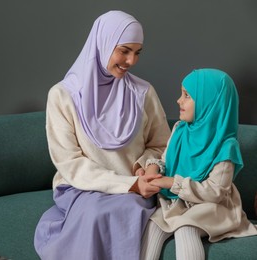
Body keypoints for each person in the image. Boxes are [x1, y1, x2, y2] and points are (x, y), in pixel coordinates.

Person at [33, 10, 171, 260]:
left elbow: (161, 144)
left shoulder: (143, 92)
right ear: (103, 43)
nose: (131, 61)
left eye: (137, 52)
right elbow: (70, 164)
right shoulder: (63, 95)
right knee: (96, 212)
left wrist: (146, 167)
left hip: (137, 189)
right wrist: (128, 184)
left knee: (121, 210)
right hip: (81, 187)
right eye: (124, 50)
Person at [140, 68, 257, 260]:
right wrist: (154, 168)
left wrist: (170, 183)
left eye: (187, 95)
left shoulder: (226, 146)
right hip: (179, 202)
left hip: (213, 205)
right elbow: (165, 160)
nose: (179, 100)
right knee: (153, 226)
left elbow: (214, 192)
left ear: (209, 102)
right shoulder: (179, 130)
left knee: (186, 228)